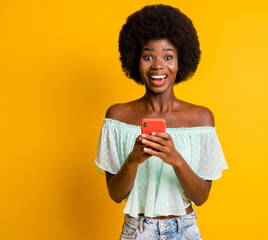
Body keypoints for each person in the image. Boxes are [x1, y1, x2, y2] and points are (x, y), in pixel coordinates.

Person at [95, 4, 228, 239]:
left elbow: (201, 197)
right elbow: (115, 195)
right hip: (136, 231)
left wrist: (175, 159)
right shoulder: (117, 117)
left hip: (183, 231)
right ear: (135, 60)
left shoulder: (201, 118)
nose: (158, 65)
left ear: (180, 61)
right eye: (148, 56)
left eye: (168, 56)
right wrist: (133, 160)